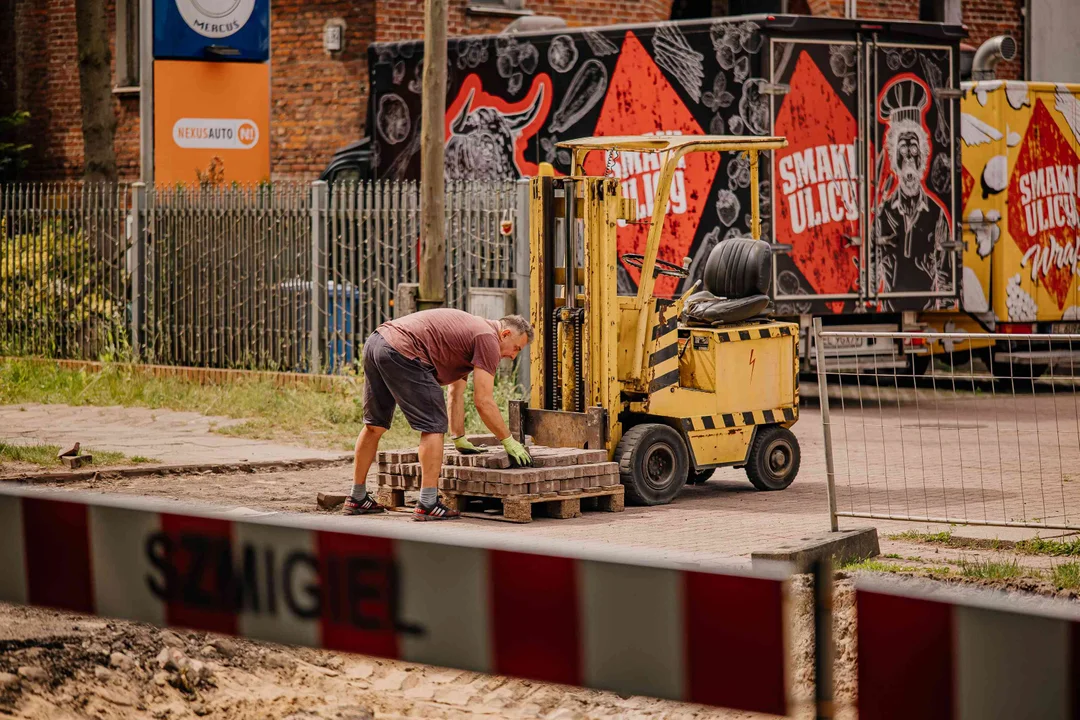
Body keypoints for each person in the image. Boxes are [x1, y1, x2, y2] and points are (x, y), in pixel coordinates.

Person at [343, 309, 534, 521]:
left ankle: (357, 497)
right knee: (433, 426)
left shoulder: (471, 335)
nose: (513, 356)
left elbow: (455, 392)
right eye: (516, 348)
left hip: (378, 342)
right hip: (403, 349)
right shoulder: (488, 339)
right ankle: (427, 503)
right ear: (505, 333)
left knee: (374, 425)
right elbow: (484, 401)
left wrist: (459, 437)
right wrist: (508, 440)